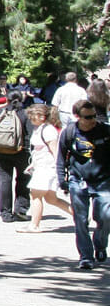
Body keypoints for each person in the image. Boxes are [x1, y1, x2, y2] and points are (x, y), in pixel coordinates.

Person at [57, 98, 110, 269]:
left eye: (94, 116)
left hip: (103, 181)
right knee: (80, 220)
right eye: (87, 117)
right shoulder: (70, 132)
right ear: (77, 116)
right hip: (78, 181)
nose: (92, 120)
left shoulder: (105, 131)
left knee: (105, 216)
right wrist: (61, 180)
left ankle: (100, 245)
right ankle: (86, 256)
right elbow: (61, 156)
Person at [26, 103, 74, 232]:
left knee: (35, 195)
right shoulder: (40, 128)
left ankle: (34, 225)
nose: (30, 118)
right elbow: (39, 151)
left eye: (32, 115)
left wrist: (60, 170)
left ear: (42, 116)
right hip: (41, 166)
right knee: (51, 199)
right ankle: (80, 216)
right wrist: (32, 164)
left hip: (47, 168)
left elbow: (55, 151)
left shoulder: (48, 130)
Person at [0, 94, 33, 223]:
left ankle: (5, 213)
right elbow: (30, 133)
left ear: (6, 99)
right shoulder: (24, 114)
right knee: (23, 179)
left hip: (0, 151)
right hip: (21, 152)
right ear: (21, 99)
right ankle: (21, 210)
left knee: (4, 180)